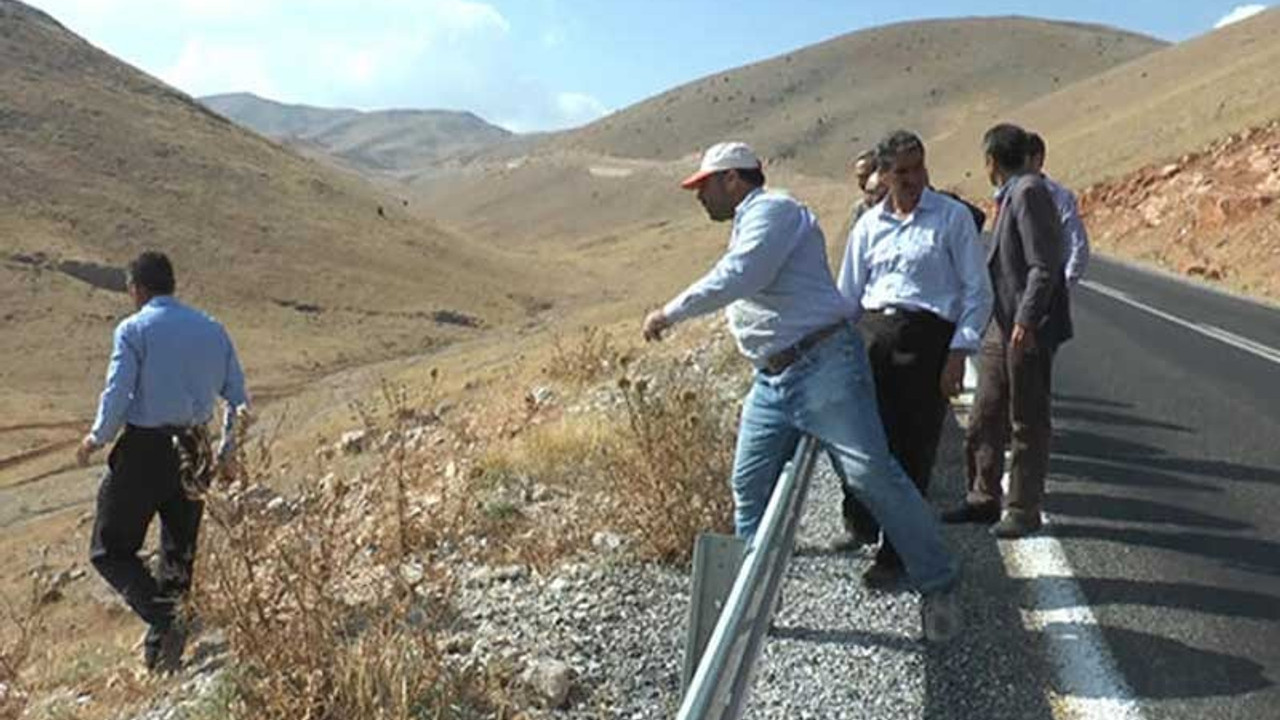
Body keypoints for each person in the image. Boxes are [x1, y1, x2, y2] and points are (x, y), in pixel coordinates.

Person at [641, 141, 959, 640]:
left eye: (704, 187)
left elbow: (742, 275)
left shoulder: (774, 211)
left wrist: (670, 312)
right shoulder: (752, 219)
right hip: (773, 379)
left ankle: (938, 583)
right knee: (749, 485)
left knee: (870, 474)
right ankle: (755, 599)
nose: (700, 198)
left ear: (732, 179)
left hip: (821, 366)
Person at [77, 251, 250, 672]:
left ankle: (168, 621)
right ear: (172, 284)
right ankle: (163, 661)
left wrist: (96, 438)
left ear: (136, 289)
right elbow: (239, 400)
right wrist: (227, 453)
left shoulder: (134, 329)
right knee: (178, 551)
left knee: (109, 549)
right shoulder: (212, 329)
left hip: (145, 450)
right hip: (196, 447)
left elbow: (118, 392)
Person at [836, 130, 993, 586]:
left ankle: (895, 556)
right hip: (870, 338)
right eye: (901, 171)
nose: (911, 179)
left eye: (918, 168)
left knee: (914, 449)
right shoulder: (868, 226)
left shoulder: (951, 218)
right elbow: (848, 296)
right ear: (883, 175)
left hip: (927, 343)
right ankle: (861, 514)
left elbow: (976, 292)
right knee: (863, 444)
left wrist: (959, 352)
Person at [942, 124, 1072, 538]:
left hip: (1024, 325)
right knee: (986, 412)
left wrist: (1027, 319)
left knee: (1027, 419)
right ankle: (982, 497)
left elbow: (1044, 265)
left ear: (991, 161)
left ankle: (1023, 509)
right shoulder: (1011, 195)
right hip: (1003, 323)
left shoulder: (1029, 192)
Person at [1027, 132, 1090, 285]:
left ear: (1038, 159)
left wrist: (1063, 285)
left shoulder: (1060, 197)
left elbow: (1078, 244)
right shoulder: (1009, 196)